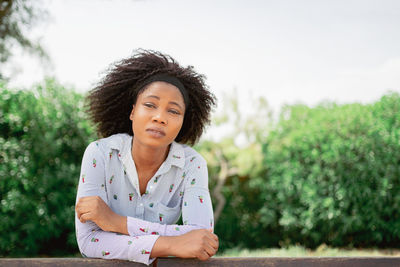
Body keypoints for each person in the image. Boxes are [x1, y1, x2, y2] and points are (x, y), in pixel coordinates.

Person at [74, 50, 218, 265]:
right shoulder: (99, 154)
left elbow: (201, 238)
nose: (160, 117)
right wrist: (171, 244)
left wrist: (115, 222)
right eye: (150, 105)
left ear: (183, 122)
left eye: (173, 111)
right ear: (132, 112)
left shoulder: (192, 165)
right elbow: (89, 241)